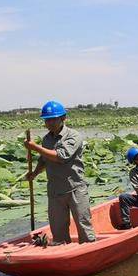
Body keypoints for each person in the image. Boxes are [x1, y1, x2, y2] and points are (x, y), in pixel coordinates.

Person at [24, 100, 97, 245]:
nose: (49, 123)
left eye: (53, 119)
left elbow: (61, 156)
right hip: (55, 191)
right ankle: (63, 256)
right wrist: (34, 173)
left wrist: (35, 147)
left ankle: (89, 253)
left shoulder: (73, 136)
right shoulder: (47, 139)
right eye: (47, 120)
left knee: (84, 227)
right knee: (58, 233)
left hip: (75, 188)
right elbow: (44, 160)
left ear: (63, 118)